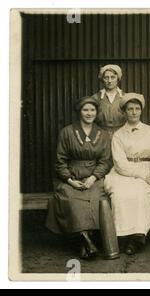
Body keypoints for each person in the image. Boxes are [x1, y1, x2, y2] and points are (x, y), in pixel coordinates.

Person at [46, 96, 113, 259]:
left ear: (96, 112)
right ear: (79, 112)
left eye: (92, 110)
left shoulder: (103, 134)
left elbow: (105, 161)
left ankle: (85, 242)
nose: (89, 113)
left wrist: (93, 177)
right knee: (70, 198)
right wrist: (69, 180)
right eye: (85, 110)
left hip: (94, 178)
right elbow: (59, 161)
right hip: (72, 175)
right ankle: (85, 240)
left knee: (97, 199)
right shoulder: (67, 132)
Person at [104, 93, 150, 255]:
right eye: (130, 109)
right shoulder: (119, 135)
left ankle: (137, 236)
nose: (134, 112)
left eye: (137, 109)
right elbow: (120, 164)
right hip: (124, 172)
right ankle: (121, 236)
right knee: (120, 194)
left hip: (146, 168)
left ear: (141, 111)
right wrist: (140, 174)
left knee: (141, 193)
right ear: (124, 112)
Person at [92, 64, 127, 137]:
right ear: (102, 79)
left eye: (113, 77)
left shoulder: (125, 97)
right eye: (106, 77)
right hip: (100, 137)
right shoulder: (95, 98)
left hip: (122, 136)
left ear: (118, 79)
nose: (109, 81)